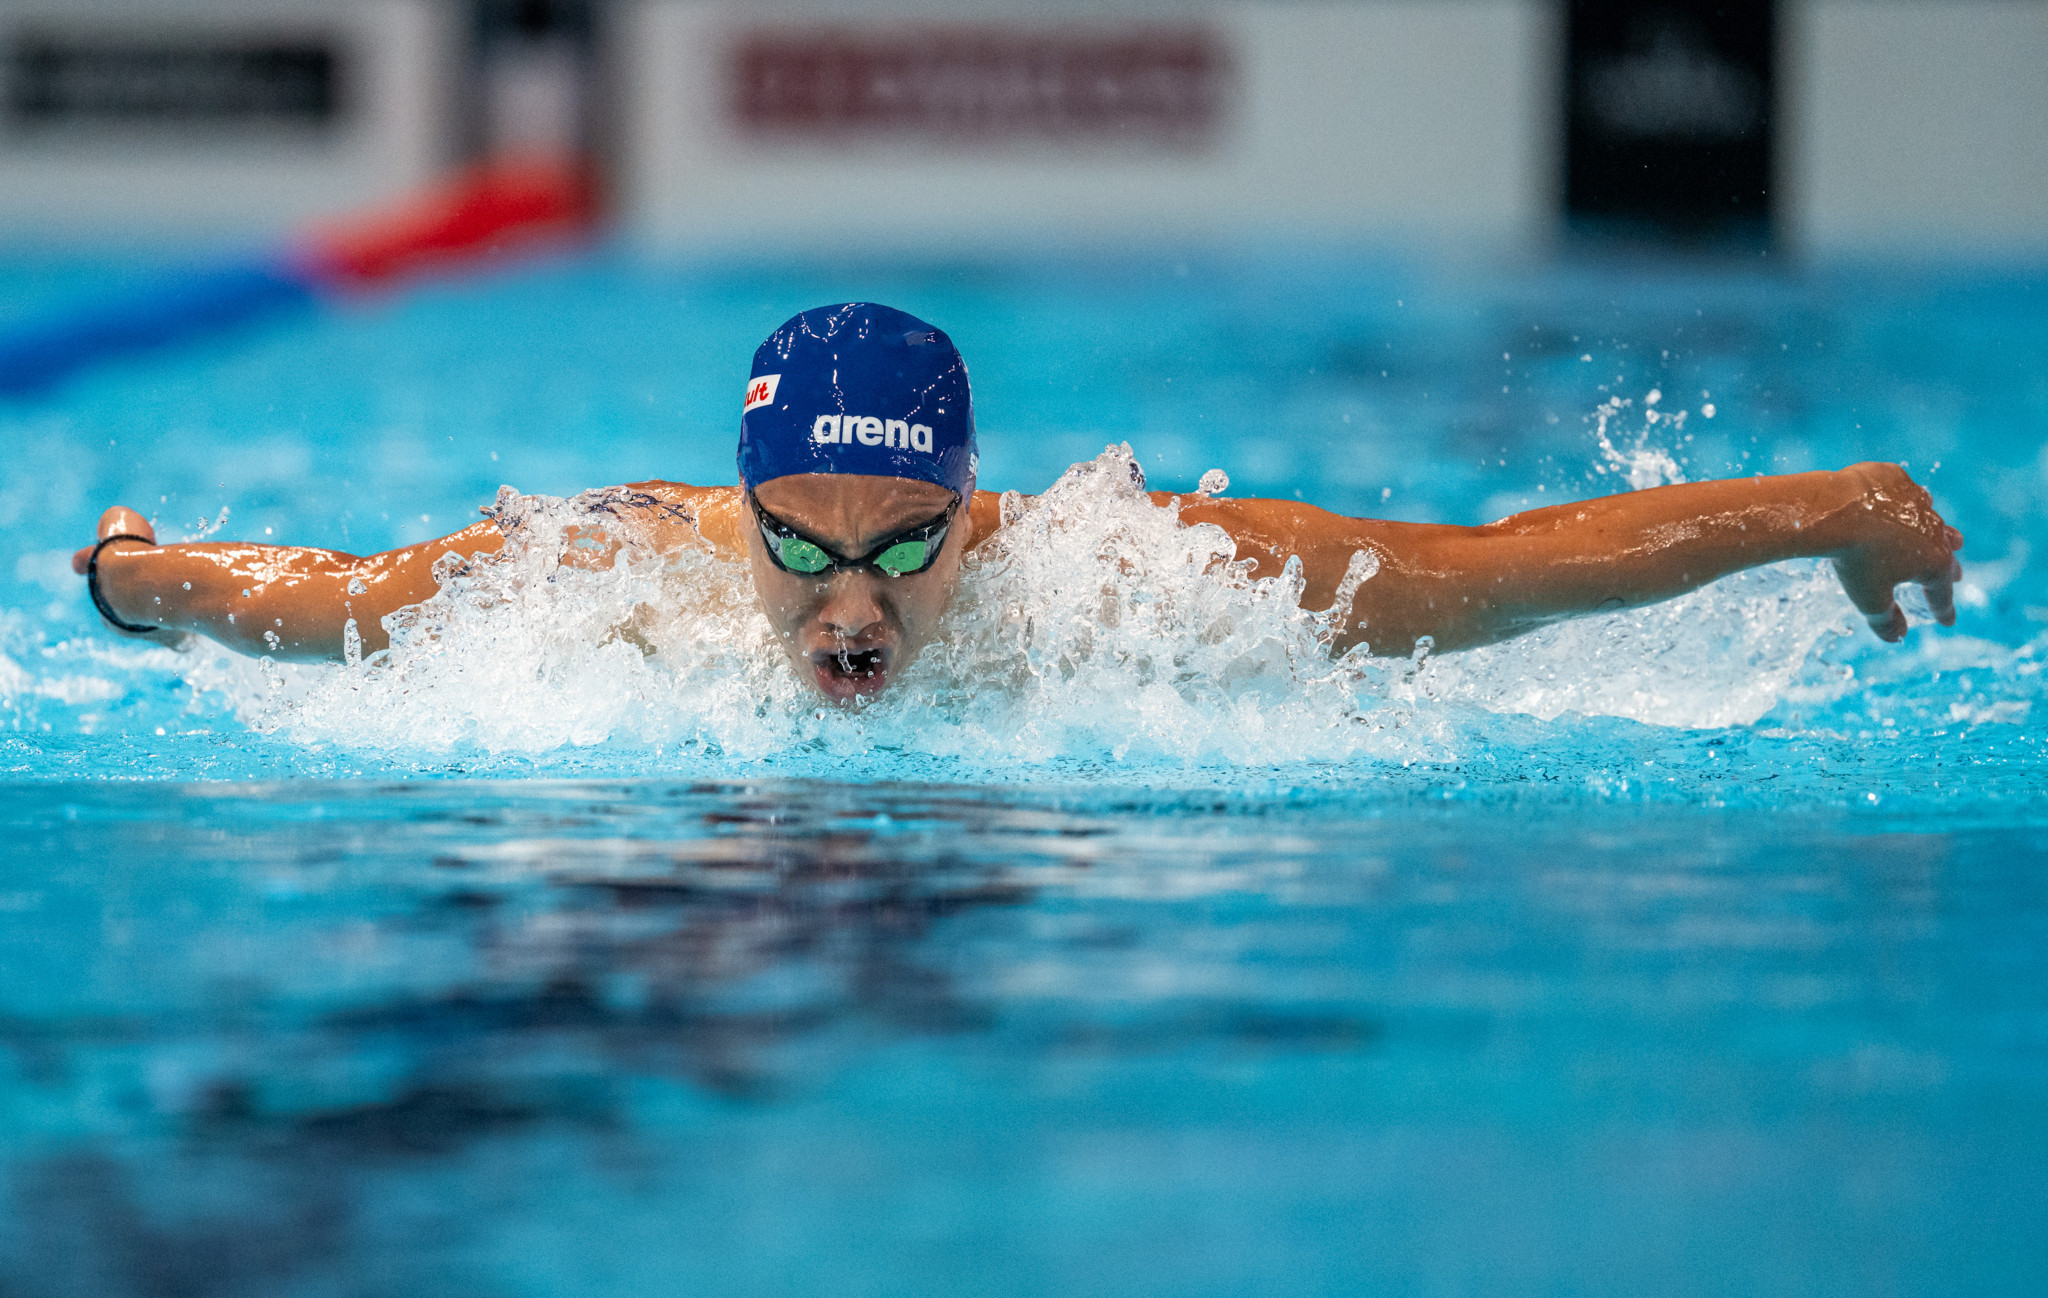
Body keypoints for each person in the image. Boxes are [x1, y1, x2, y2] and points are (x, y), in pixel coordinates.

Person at [74, 302, 1965, 704]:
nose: (852, 602)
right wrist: (146, 581)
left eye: (906, 543)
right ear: (733, 517)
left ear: (975, 517)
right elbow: (333, 597)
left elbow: (1494, 578)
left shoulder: (1130, 586)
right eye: (797, 542)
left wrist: (1833, 504)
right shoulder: (612, 584)